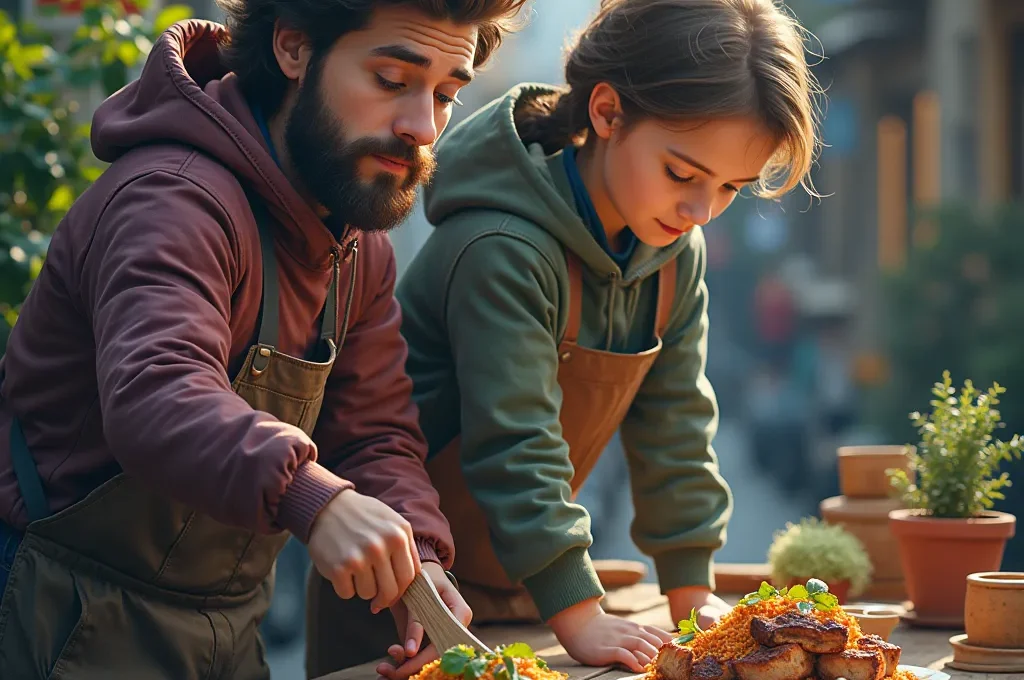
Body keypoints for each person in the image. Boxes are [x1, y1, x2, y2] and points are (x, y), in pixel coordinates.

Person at [0, 1, 526, 677]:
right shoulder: (172, 198)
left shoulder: (355, 247)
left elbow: (373, 433)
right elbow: (158, 392)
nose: (422, 127)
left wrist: (418, 562)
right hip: (62, 618)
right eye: (393, 80)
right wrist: (316, 497)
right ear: (293, 48)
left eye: (448, 94)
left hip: (226, 631)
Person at [308, 0, 824, 676]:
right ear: (607, 113)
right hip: (403, 596)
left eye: (731, 187)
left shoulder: (674, 252)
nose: (701, 210)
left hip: (528, 596)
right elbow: (515, 442)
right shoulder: (503, 247)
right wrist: (579, 612)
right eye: (682, 173)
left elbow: (676, 428)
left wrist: (693, 594)